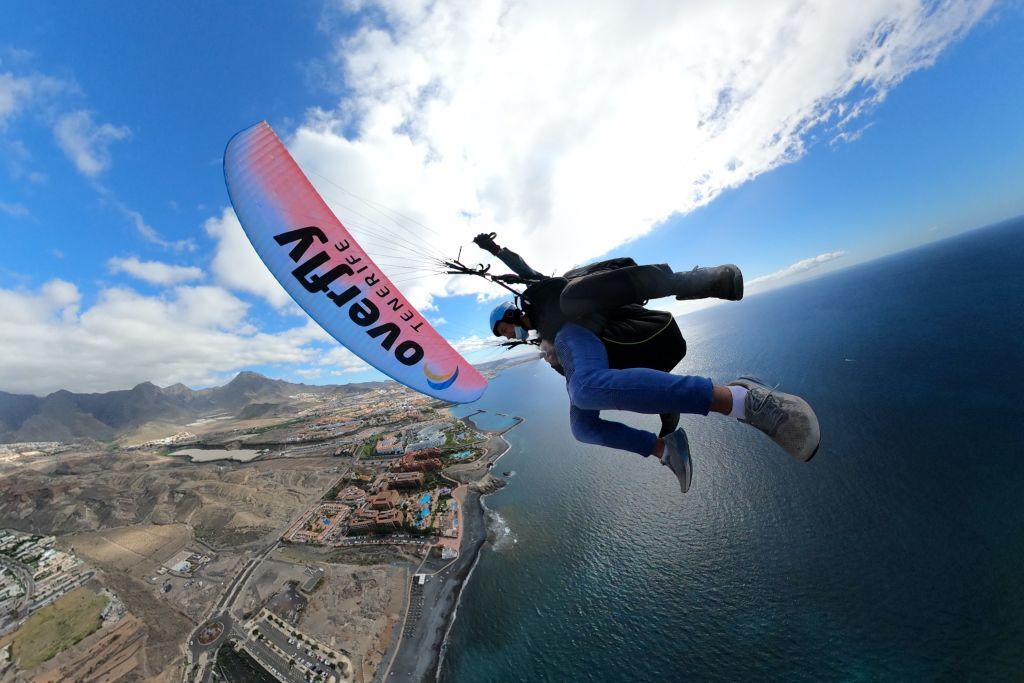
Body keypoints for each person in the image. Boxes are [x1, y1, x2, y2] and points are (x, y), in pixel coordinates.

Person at [475, 232, 820, 494]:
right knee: (583, 427)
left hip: (580, 332)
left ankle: (745, 400)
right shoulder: (545, 342)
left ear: (512, 313)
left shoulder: (541, 300)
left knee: (583, 389)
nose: (512, 336)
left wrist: (495, 250)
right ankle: (666, 449)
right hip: (578, 351)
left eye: (507, 329)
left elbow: (523, 270)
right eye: (507, 336)